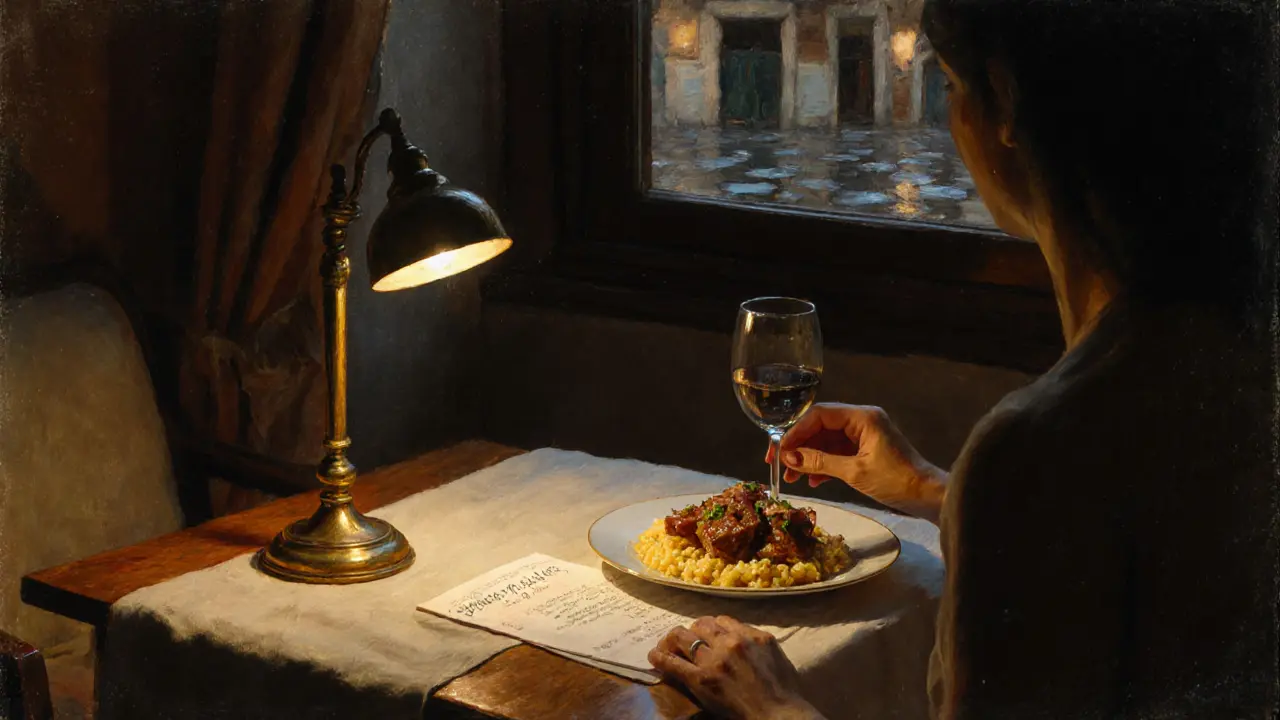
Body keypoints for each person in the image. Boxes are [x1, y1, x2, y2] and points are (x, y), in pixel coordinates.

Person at [650, 0, 1277, 718]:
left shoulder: (1040, 443)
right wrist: (936, 490)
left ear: (1005, 102)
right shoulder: (1236, 350)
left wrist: (774, 704)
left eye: (949, 85)